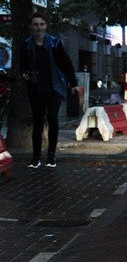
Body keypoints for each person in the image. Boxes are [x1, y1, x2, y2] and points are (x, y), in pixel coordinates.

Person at [20, 12, 80, 168]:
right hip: (36, 88)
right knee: (38, 123)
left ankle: (51, 155)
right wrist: (24, 74)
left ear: (45, 26)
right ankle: (36, 157)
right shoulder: (26, 45)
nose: (39, 27)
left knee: (53, 118)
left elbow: (66, 63)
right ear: (30, 27)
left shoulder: (54, 43)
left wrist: (73, 83)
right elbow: (22, 65)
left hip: (54, 87)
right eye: (35, 24)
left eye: (41, 24)